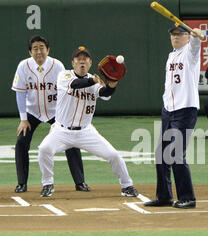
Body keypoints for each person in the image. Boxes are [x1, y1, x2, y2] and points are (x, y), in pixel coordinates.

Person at [37, 46, 138, 198]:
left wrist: (112, 83)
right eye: (79, 58)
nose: (82, 61)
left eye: (85, 58)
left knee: (113, 155)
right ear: (73, 62)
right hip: (62, 131)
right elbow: (75, 84)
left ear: (90, 63)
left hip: (86, 132)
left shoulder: (94, 81)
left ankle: (127, 186)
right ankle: (47, 184)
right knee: (44, 149)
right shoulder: (64, 76)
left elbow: (105, 94)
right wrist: (93, 80)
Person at [11, 35, 90, 193]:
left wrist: (63, 119)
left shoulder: (57, 66)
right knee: (21, 142)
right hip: (32, 111)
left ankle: (80, 182)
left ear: (48, 50)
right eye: (35, 48)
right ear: (30, 51)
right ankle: (22, 183)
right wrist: (23, 119)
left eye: (42, 48)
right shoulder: (23, 66)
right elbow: (20, 93)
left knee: (70, 141)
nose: (39, 51)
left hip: (57, 111)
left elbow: (68, 90)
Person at [144, 24, 204, 209]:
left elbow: (196, 43)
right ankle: (164, 196)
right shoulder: (171, 56)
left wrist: (197, 35)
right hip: (169, 110)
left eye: (180, 34)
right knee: (161, 154)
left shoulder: (190, 53)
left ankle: (188, 197)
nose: (175, 37)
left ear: (187, 37)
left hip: (185, 109)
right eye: (173, 34)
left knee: (177, 153)